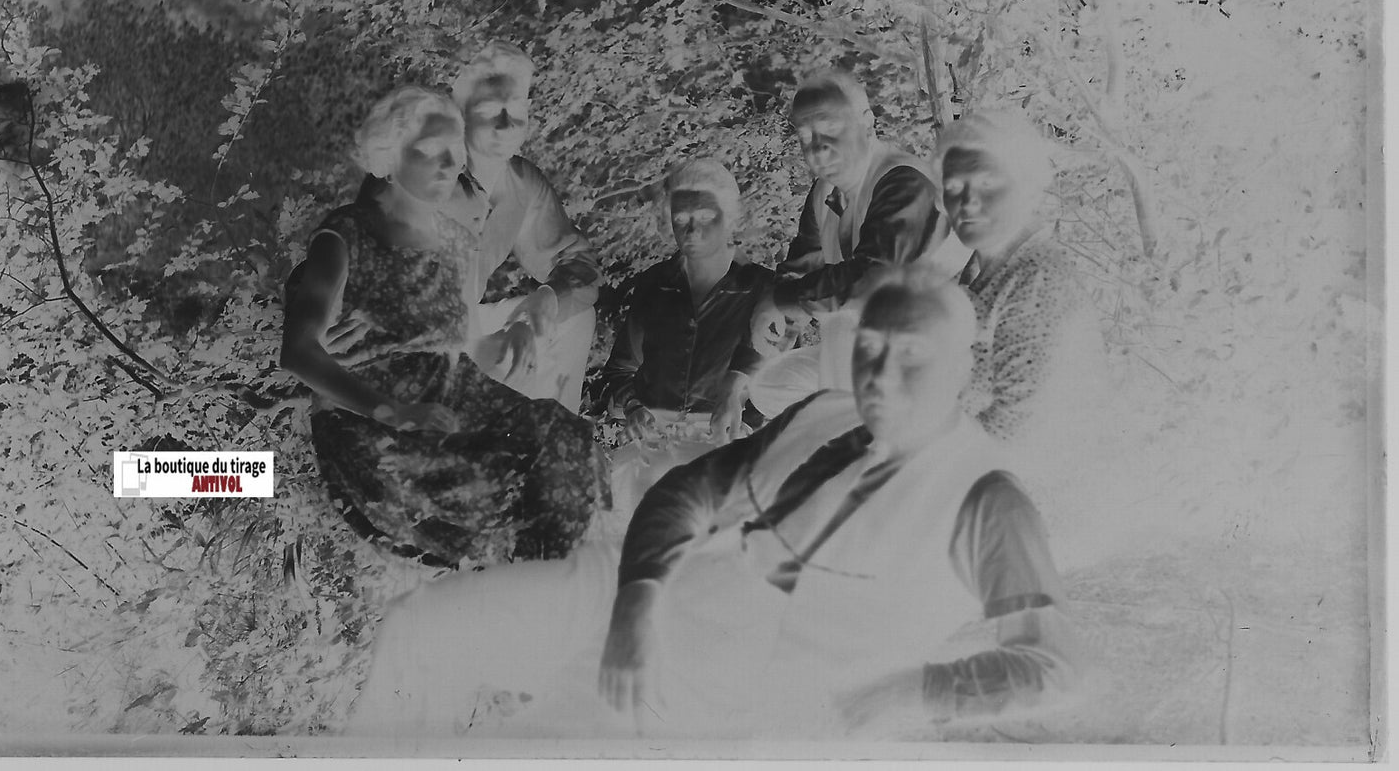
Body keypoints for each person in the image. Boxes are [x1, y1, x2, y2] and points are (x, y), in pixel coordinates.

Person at [349, 272, 1082, 739]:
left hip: (713, 685)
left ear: (962, 368)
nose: (881, 373)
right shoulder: (826, 411)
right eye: (871, 347)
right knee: (421, 630)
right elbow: (689, 491)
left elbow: (1052, 666)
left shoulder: (985, 496)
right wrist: (634, 605)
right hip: (633, 589)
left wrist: (908, 689)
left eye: (912, 353)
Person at [281, 86, 607, 568]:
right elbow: (299, 348)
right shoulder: (348, 232)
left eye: (454, 151)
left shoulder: (458, 238)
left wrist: (514, 335)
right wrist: (394, 410)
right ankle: (504, 575)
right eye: (429, 150)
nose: (447, 164)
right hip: (372, 415)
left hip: (451, 389)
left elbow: (466, 341)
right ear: (391, 156)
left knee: (566, 441)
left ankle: (549, 580)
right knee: (486, 482)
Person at [746, 69, 952, 416]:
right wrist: (781, 322)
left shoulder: (903, 183)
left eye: (830, 128)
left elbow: (871, 280)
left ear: (867, 123)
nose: (817, 148)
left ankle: (855, 429)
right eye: (805, 135)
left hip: (921, 356)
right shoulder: (826, 190)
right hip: (859, 353)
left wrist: (783, 299)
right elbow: (801, 265)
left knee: (845, 327)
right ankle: (840, 420)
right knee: (770, 385)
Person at [597, 159, 773, 511]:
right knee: (622, 513)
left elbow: (773, 379)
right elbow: (620, 369)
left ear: (731, 218)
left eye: (706, 216)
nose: (691, 230)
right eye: (681, 219)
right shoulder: (654, 284)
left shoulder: (763, 289)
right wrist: (633, 407)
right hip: (653, 446)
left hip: (726, 444)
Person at [446, 42, 603, 412]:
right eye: (489, 111)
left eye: (516, 109)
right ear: (462, 114)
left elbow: (581, 266)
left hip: (464, 324)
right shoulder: (435, 174)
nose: (506, 125)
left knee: (571, 315)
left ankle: (555, 433)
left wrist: (545, 300)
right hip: (408, 333)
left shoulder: (522, 182)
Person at [932, 110, 1106, 440]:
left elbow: (1014, 429)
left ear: (1026, 186)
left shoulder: (1039, 278)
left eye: (986, 183)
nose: (966, 201)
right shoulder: (973, 272)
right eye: (953, 186)